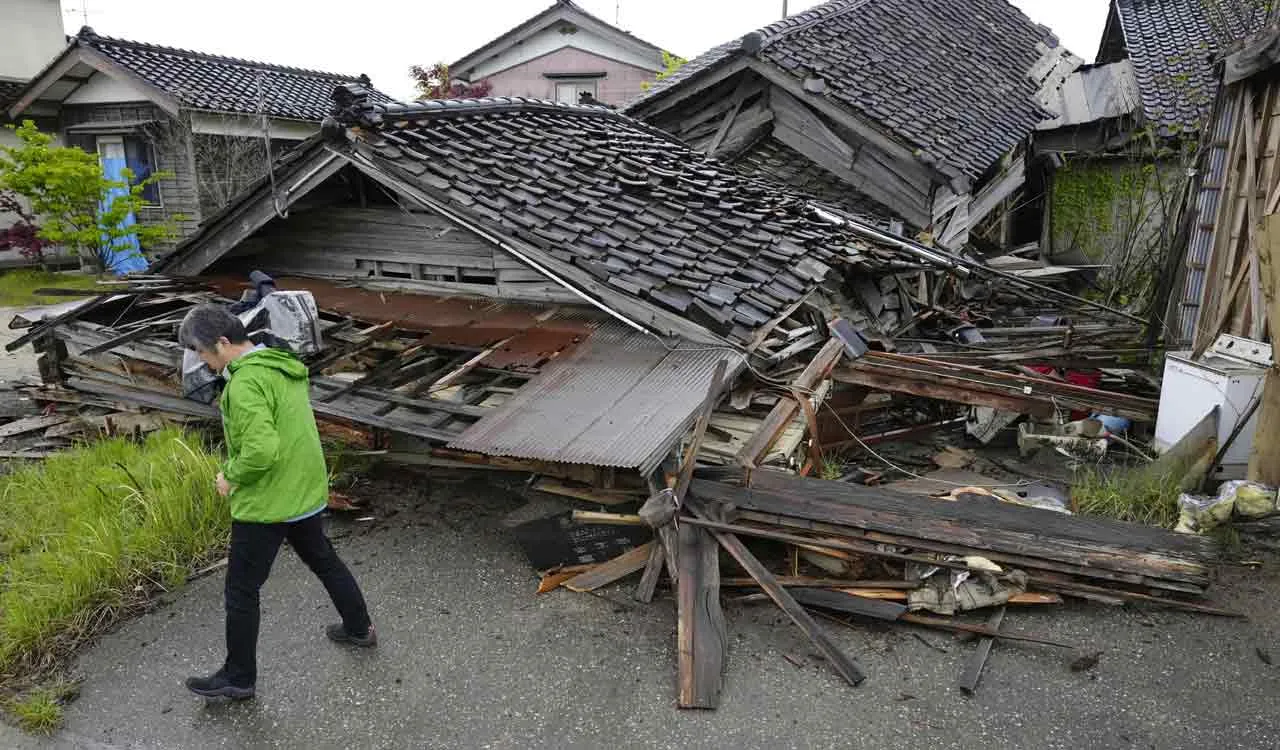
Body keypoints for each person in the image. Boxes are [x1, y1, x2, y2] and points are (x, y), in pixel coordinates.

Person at [178, 304, 375, 701]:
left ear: (222, 343)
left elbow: (261, 450)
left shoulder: (244, 384)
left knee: (241, 591)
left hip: (268, 503)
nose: (201, 361)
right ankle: (359, 628)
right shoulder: (281, 364)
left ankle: (238, 677)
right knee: (325, 561)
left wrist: (229, 475)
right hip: (303, 490)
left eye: (201, 351)